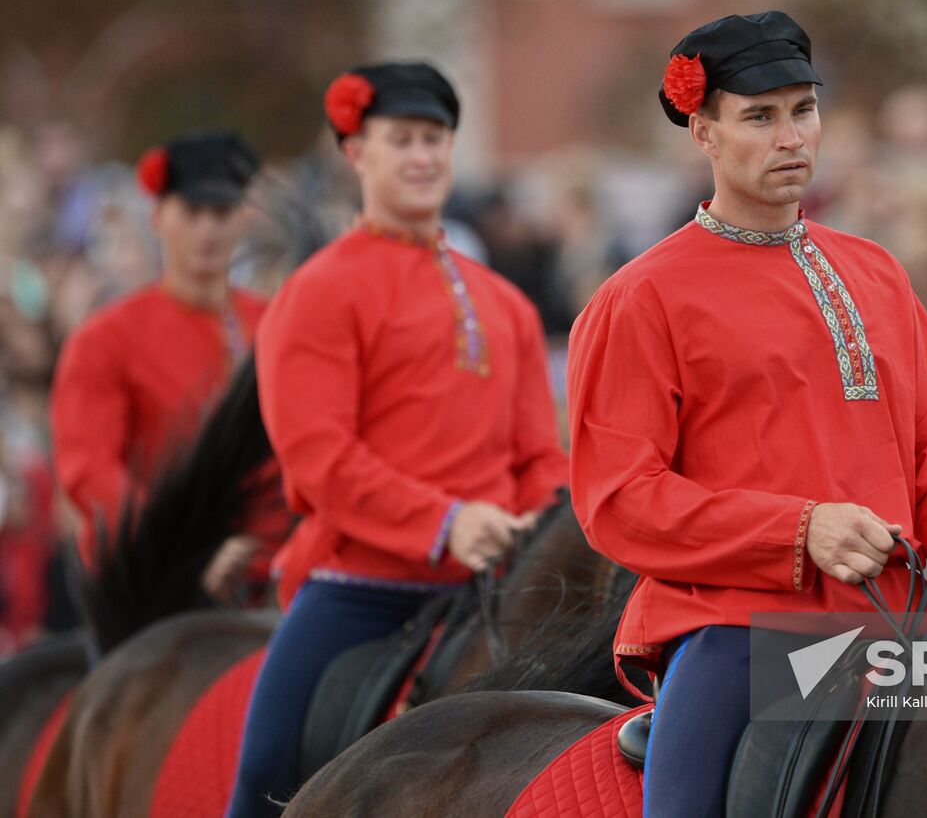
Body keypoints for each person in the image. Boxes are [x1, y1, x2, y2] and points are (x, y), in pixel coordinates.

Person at [567, 11, 927, 818]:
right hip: (747, 633)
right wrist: (801, 531)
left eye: (803, 110)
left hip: (911, 627)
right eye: (759, 117)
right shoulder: (641, 297)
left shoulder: (877, 271)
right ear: (703, 132)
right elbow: (618, 499)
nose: (790, 136)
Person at [225, 61, 568, 817]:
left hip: (499, 584)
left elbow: (541, 452)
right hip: (363, 588)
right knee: (266, 779)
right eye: (402, 139)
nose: (422, 156)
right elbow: (318, 458)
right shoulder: (318, 289)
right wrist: (447, 522)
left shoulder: (506, 302)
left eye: (436, 139)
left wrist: (531, 523)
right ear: (357, 155)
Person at [50, 130, 283, 598]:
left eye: (221, 214)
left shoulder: (275, 323)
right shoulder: (106, 336)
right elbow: (90, 467)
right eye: (192, 213)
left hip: (267, 570)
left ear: (243, 219)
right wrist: (185, 546)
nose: (207, 231)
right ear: (158, 218)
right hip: (149, 576)